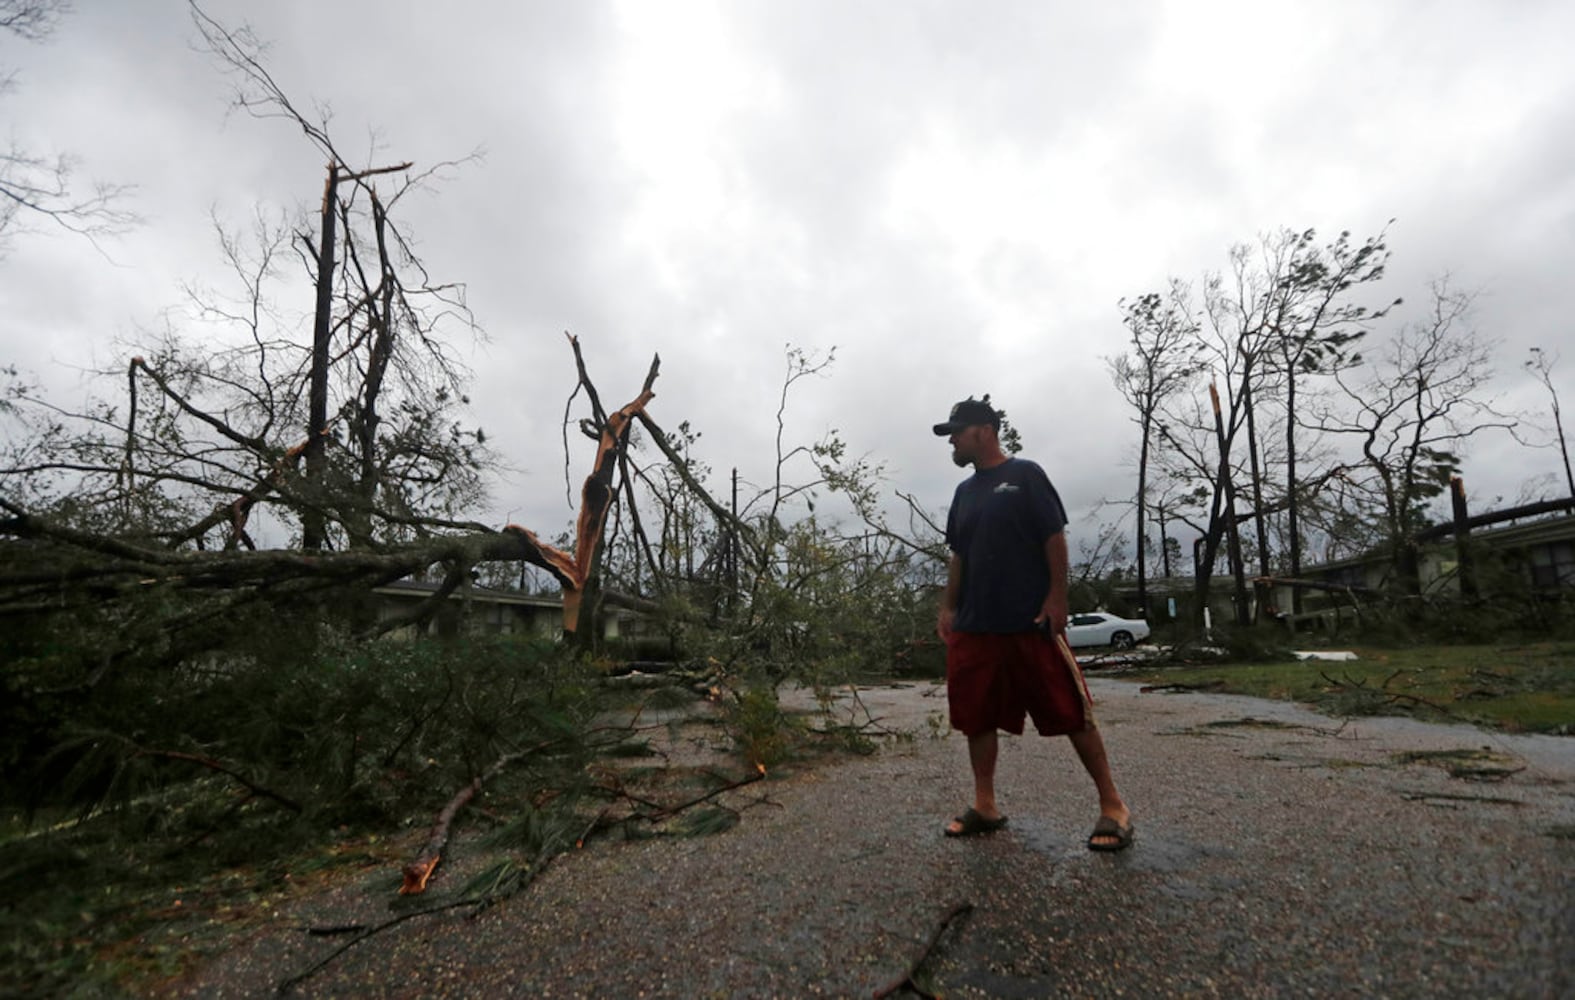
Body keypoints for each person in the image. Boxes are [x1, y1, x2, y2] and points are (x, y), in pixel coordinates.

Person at [932, 396, 1134, 851]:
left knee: (1070, 711)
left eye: (956, 434)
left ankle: (1113, 805)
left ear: (983, 430)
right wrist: (948, 607)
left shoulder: (1025, 476)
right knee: (976, 717)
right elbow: (959, 555)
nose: (952, 443)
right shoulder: (964, 493)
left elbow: (1053, 536)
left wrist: (1057, 597)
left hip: (1030, 620)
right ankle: (985, 804)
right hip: (976, 624)